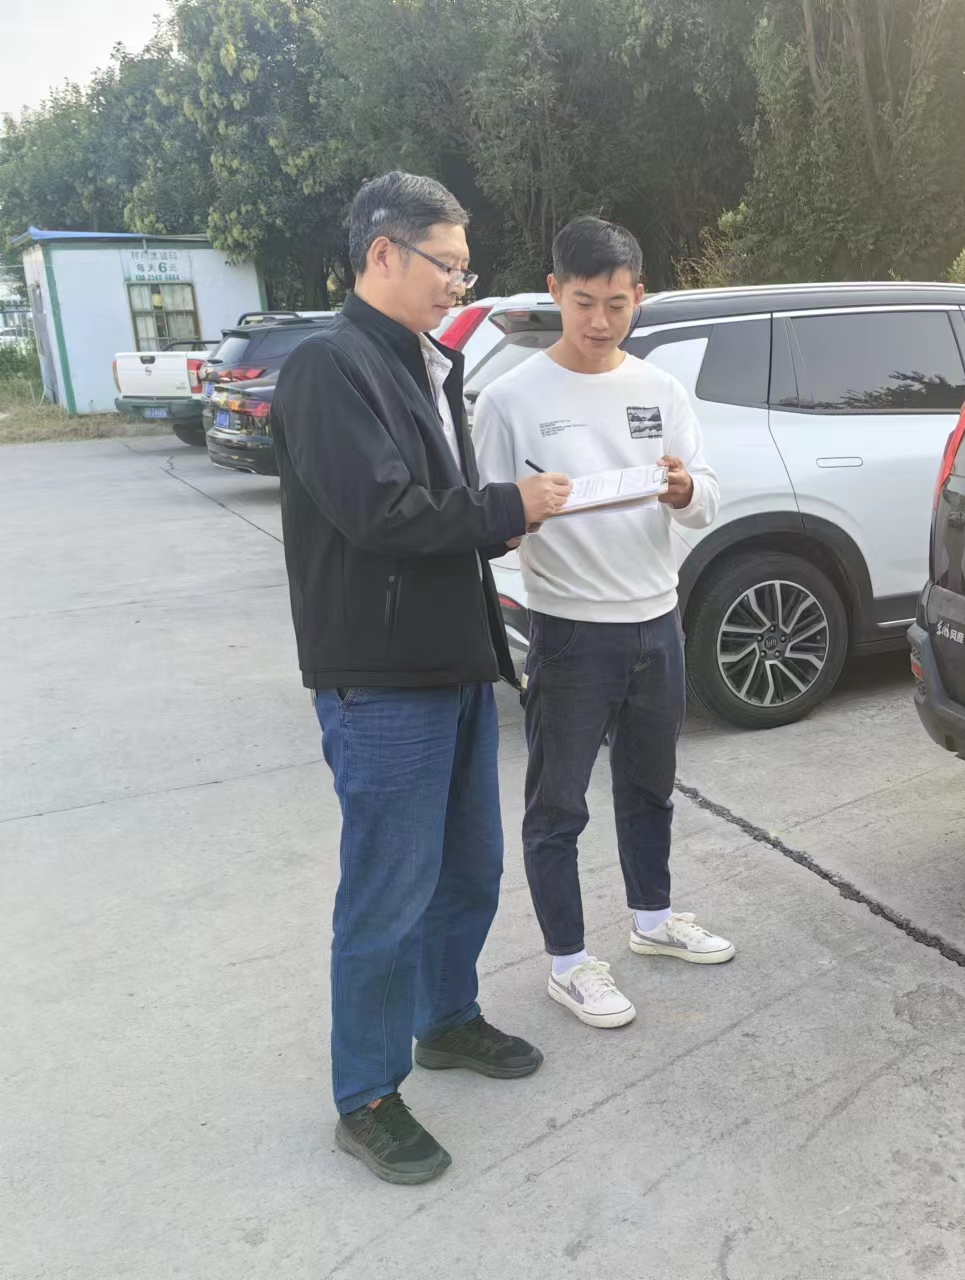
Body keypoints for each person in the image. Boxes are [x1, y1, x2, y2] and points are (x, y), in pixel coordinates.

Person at [272, 171, 573, 1185]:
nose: (456, 283)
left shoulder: (423, 362)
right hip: (380, 675)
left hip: (453, 662)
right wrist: (510, 506)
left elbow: (436, 504)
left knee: (468, 868)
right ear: (381, 253)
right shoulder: (328, 367)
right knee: (387, 891)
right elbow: (383, 513)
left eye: (463, 268)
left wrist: (496, 523)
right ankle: (365, 1095)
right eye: (445, 264)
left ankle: (446, 1018)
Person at [473, 217, 729, 1032]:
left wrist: (685, 491)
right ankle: (569, 963)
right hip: (571, 631)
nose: (599, 321)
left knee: (650, 787)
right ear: (555, 291)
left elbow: (705, 498)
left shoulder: (661, 390)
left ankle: (653, 920)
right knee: (558, 806)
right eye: (583, 302)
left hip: (657, 621)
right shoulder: (510, 400)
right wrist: (522, 514)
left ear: (638, 298)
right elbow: (486, 525)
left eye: (617, 304)